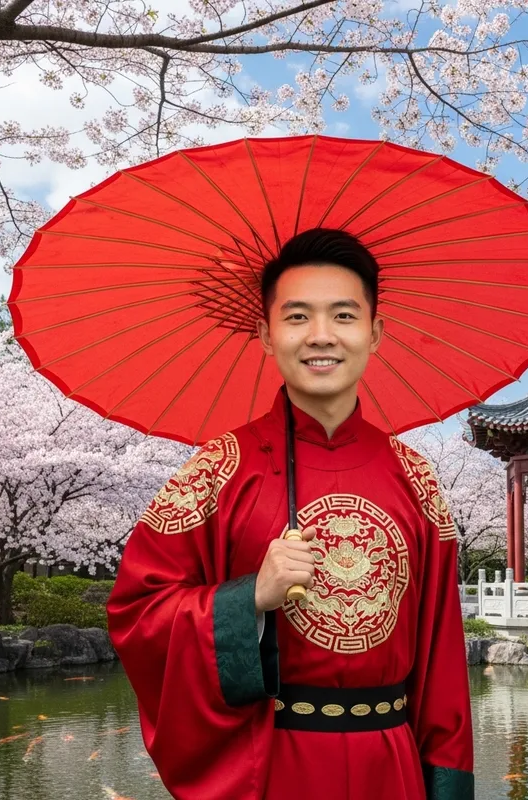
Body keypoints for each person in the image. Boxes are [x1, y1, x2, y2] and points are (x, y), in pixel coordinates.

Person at [107, 228, 474, 800]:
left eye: (344, 316)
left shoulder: (416, 477)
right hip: (271, 766)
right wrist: (247, 599)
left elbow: (443, 657)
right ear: (266, 333)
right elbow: (137, 613)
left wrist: (446, 784)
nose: (321, 336)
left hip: (392, 766)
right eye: (298, 316)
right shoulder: (216, 471)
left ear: (375, 333)